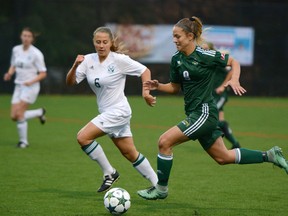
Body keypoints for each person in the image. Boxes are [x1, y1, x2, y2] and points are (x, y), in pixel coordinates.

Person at [137, 16, 288, 200]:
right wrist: (158, 86)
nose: (174, 40)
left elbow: (234, 62)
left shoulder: (204, 55)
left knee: (164, 142)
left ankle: (161, 189)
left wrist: (234, 78)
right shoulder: (176, 59)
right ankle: (270, 155)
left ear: (190, 36)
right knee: (223, 157)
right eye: (173, 36)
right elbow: (175, 88)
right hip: (194, 113)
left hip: (204, 113)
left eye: (178, 36)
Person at [66, 27, 158, 193]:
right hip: (107, 113)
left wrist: (146, 93)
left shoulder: (119, 60)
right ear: (93, 42)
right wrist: (75, 66)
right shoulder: (87, 60)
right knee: (130, 153)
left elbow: (145, 71)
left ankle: (109, 172)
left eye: (105, 42)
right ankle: (158, 184)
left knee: (83, 137)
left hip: (119, 111)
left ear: (110, 43)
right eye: (98, 42)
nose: (101, 45)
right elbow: (71, 82)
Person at [3, 27, 47, 148]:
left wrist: (30, 81)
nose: (26, 38)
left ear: (32, 39)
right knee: (13, 116)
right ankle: (39, 112)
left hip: (30, 87)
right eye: (24, 35)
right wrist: (9, 73)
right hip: (18, 86)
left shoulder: (36, 54)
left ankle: (23, 142)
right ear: (21, 37)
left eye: (28, 36)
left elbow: (43, 73)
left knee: (19, 114)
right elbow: (13, 65)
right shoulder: (16, 49)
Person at [202, 42, 240, 149]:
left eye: (205, 48)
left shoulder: (215, 60)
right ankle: (235, 144)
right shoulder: (205, 61)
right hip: (213, 96)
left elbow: (232, 70)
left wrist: (223, 86)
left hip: (220, 95)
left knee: (211, 119)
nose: (203, 50)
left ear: (211, 49)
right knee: (220, 121)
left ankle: (220, 144)